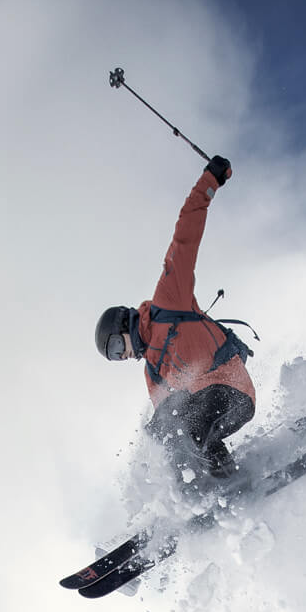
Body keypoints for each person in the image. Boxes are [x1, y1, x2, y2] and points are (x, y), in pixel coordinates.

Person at [94, 155, 255, 480]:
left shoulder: (168, 302)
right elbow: (168, 429)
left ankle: (230, 483)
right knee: (162, 433)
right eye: (113, 357)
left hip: (232, 390)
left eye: (114, 347)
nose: (120, 356)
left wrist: (210, 181)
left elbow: (185, 235)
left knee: (188, 424)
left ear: (123, 323)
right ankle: (182, 499)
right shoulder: (152, 372)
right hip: (201, 410)